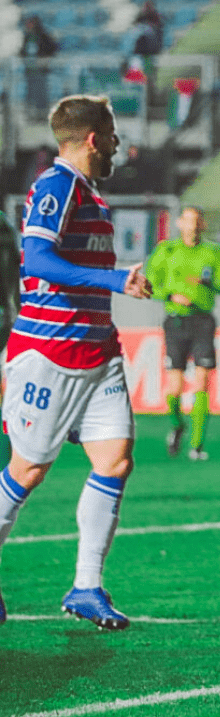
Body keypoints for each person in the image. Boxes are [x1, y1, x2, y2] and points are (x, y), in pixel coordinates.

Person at [0, 95, 153, 629]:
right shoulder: (55, 184)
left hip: (97, 353)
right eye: (111, 135)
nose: (116, 144)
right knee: (28, 469)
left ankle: (86, 585)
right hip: (48, 353)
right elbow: (38, 257)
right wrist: (116, 279)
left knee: (114, 459)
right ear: (93, 138)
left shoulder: (88, 192)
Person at [144, 206, 220, 460]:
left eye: (197, 221)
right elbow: (149, 284)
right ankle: (177, 425)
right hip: (175, 322)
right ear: (179, 224)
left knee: (202, 382)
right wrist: (170, 295)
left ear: (203, 225)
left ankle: (196, 445)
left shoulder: (213, 252)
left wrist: (208, 282)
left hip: (203, 321)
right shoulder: (166, 250)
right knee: (174, 387)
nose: (193, 226)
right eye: (188, 221)